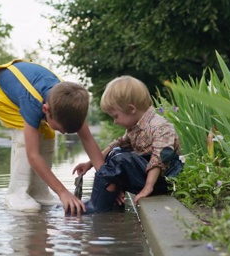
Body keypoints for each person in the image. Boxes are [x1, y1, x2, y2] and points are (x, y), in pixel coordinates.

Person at [0, 59, 105, 215]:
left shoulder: (71, 104)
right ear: (46, 109)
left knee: (47, 133)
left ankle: (39, 192)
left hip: (26, 90)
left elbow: (88, 140)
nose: (63, 133)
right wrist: (62, 192)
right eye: (61, 129)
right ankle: (16, 194)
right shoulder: (33, 102)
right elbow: (33, 155)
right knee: (26, 135)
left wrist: (107, 182)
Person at [73, 75, 184, 213]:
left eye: (115, 116)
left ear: (131, 109)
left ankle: (98, 207)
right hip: (147, 172)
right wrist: (90, 163)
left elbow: (160, 159)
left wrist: (148, 187)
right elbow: (117, 144)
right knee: (115, 152)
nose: (115, 122)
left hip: (161, 179)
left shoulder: (160, 126)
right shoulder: (136, 127)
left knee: (121, 160)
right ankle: (111, 203)